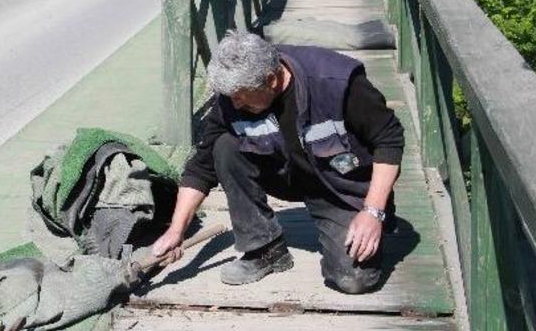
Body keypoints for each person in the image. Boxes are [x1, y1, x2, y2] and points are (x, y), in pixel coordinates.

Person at [152, 31, 404, 294]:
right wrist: (176, 231)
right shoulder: (233, 98)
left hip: (339, 187)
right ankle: (264, 249)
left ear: (271, 79)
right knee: (224, 145)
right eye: (230, 96)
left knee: (354, 279)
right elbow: (200, 168)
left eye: (240, 95)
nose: (234, 103)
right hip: (283, 172)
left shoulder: (335, 81)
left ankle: (356, 227)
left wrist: (373, 212)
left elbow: (389, 140)